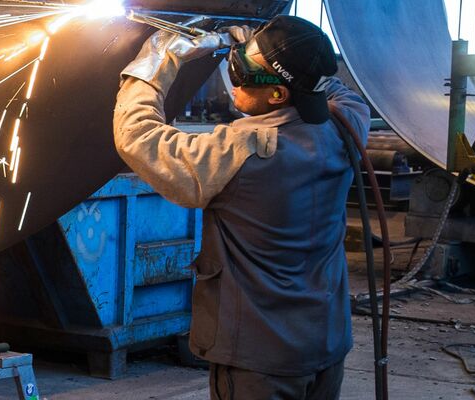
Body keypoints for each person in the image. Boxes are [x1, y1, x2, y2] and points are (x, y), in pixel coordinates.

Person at [113, 16, 371, 400]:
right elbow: (326, 84)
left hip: (259, 361)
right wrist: (269, 47)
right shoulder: (345, 124)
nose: (233, 78)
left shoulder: (240, 152)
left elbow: (137, 135)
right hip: (326, 346)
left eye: (245, 73)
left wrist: (159, 60)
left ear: (279, 95)